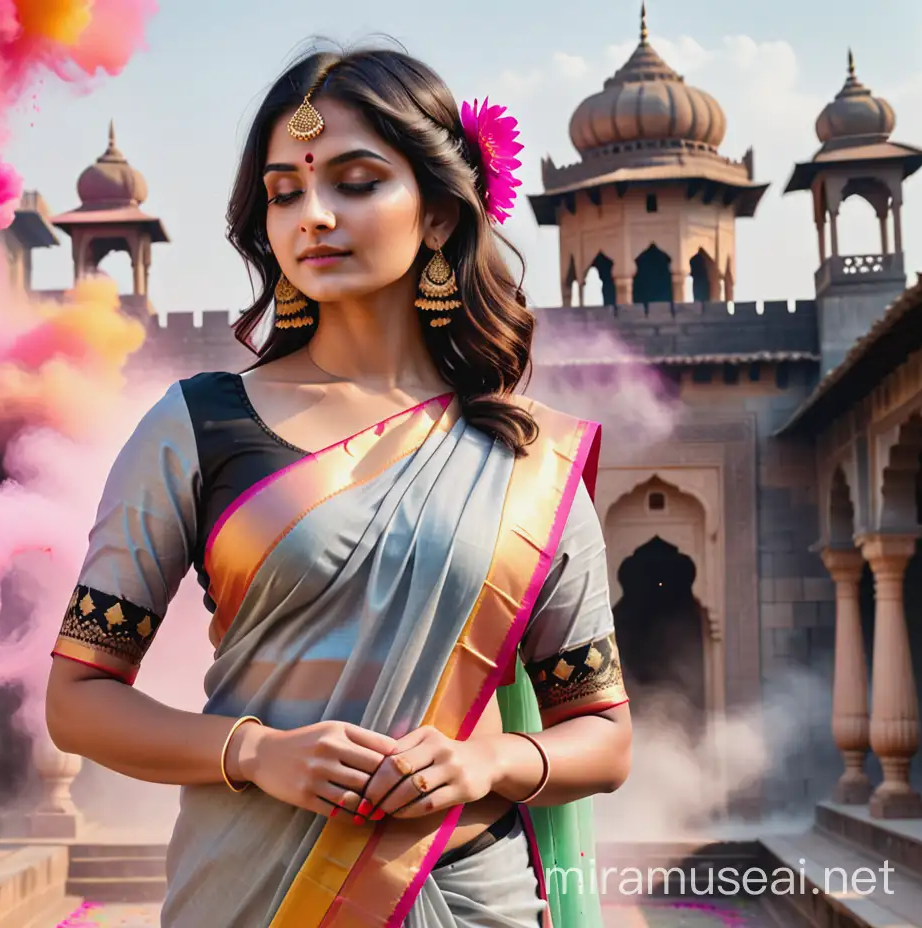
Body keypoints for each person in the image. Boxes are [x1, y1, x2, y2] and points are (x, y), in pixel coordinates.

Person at [45, 45, 632, 928]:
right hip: (252, 890)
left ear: (438, 216)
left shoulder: (526, 455)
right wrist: (256, 751)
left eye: (355, 182)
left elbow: (603, 732)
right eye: (285, 191)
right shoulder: (198, 427)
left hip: (472, 894)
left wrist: (490, 764)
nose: (312, 216)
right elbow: (78, 701)